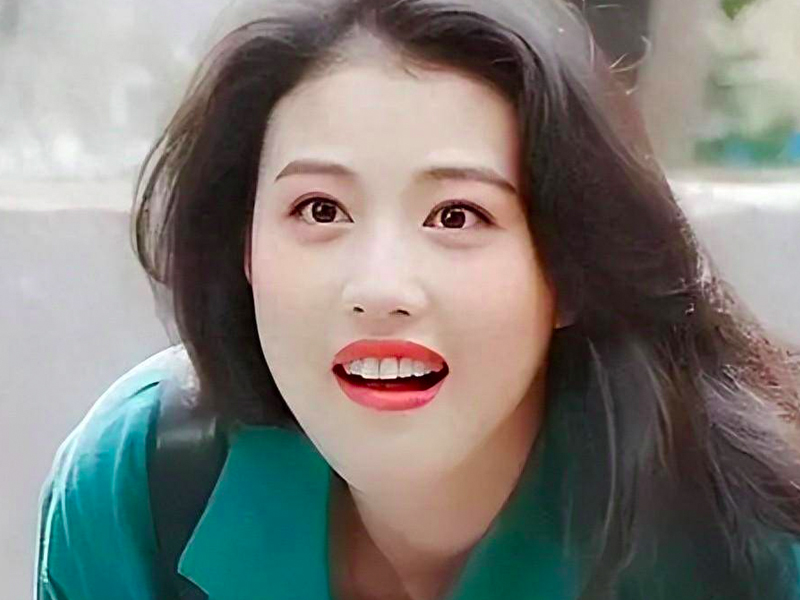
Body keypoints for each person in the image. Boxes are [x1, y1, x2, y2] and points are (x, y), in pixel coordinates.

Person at [35, 0, 800, 599]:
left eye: (457, 217)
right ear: (244, 248)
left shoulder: (751, 546)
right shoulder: (140, 487)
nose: (380, 290)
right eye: (320, 210)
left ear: (570, 267)